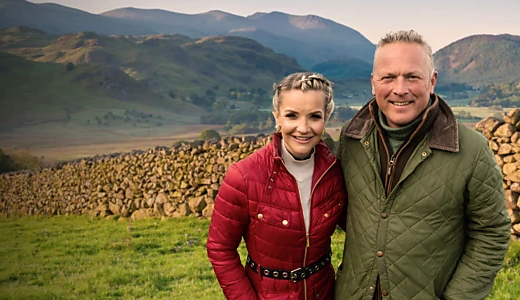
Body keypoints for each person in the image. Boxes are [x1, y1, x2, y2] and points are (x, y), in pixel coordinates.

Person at [334, 29, 511, 299]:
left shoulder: (471, 149)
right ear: (373, 82)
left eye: (412, 76)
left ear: (432, 81)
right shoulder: (351, 138)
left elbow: (492, 233)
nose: (400, 89)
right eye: (388, 77)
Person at [207, 72, 347, 299]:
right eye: (292, 116)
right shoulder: (243, 176)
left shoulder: (335, 172)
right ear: (277, 118)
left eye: (314, 116)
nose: (303, 128)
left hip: (325, 292)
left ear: (326, 118)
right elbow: (220, 249)